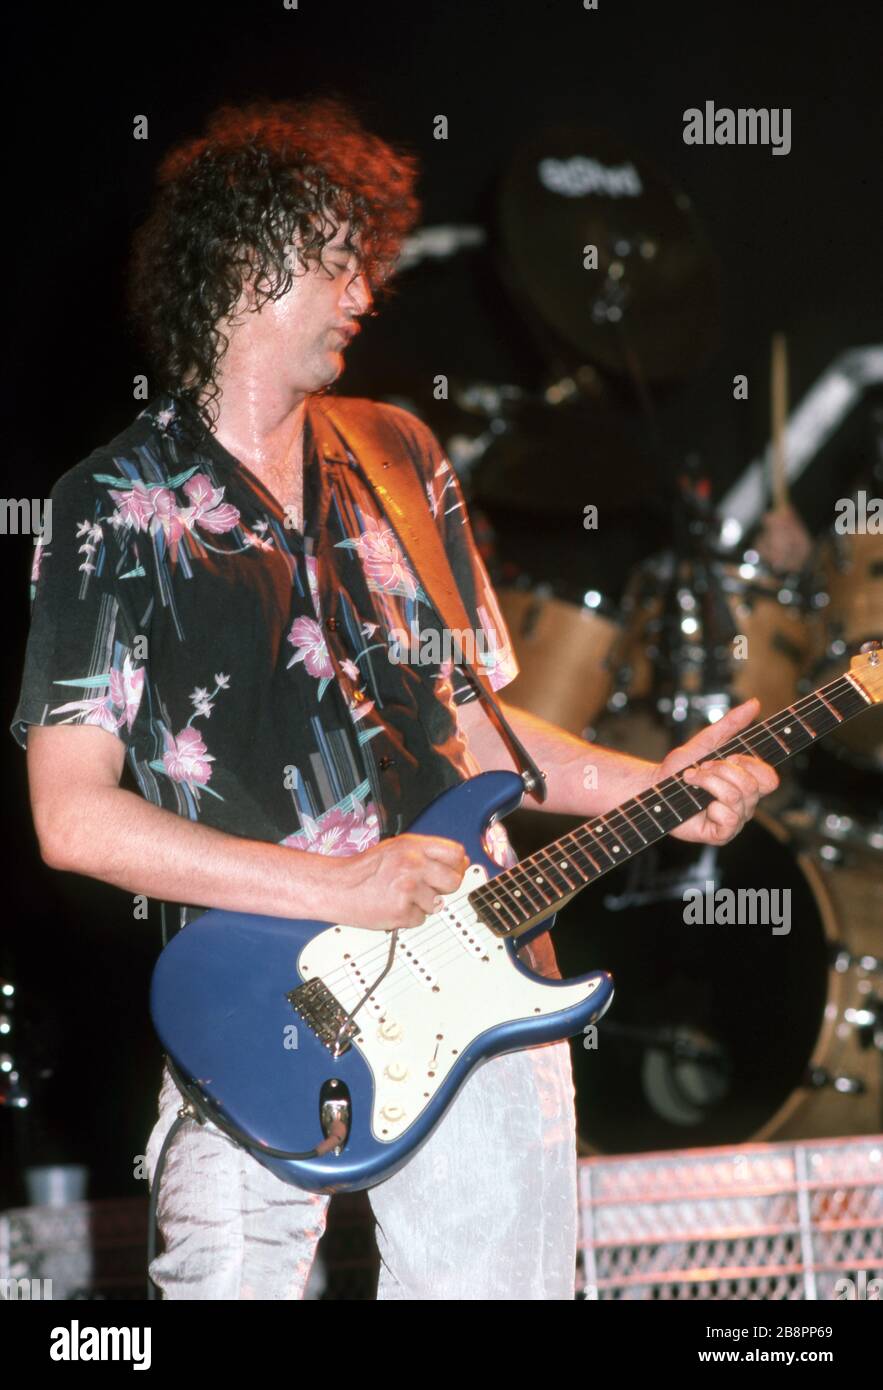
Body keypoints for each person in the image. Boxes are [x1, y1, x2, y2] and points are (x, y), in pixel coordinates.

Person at [10, 98, 779, 1300]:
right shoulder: (113, 506)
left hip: (478, 973)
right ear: (251, 262)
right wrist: (334, 885)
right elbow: (73, 818)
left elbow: (480, 737)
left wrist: (659, 790)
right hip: (255, 999)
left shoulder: (400, 453)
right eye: (339, 262)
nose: (366, 292)